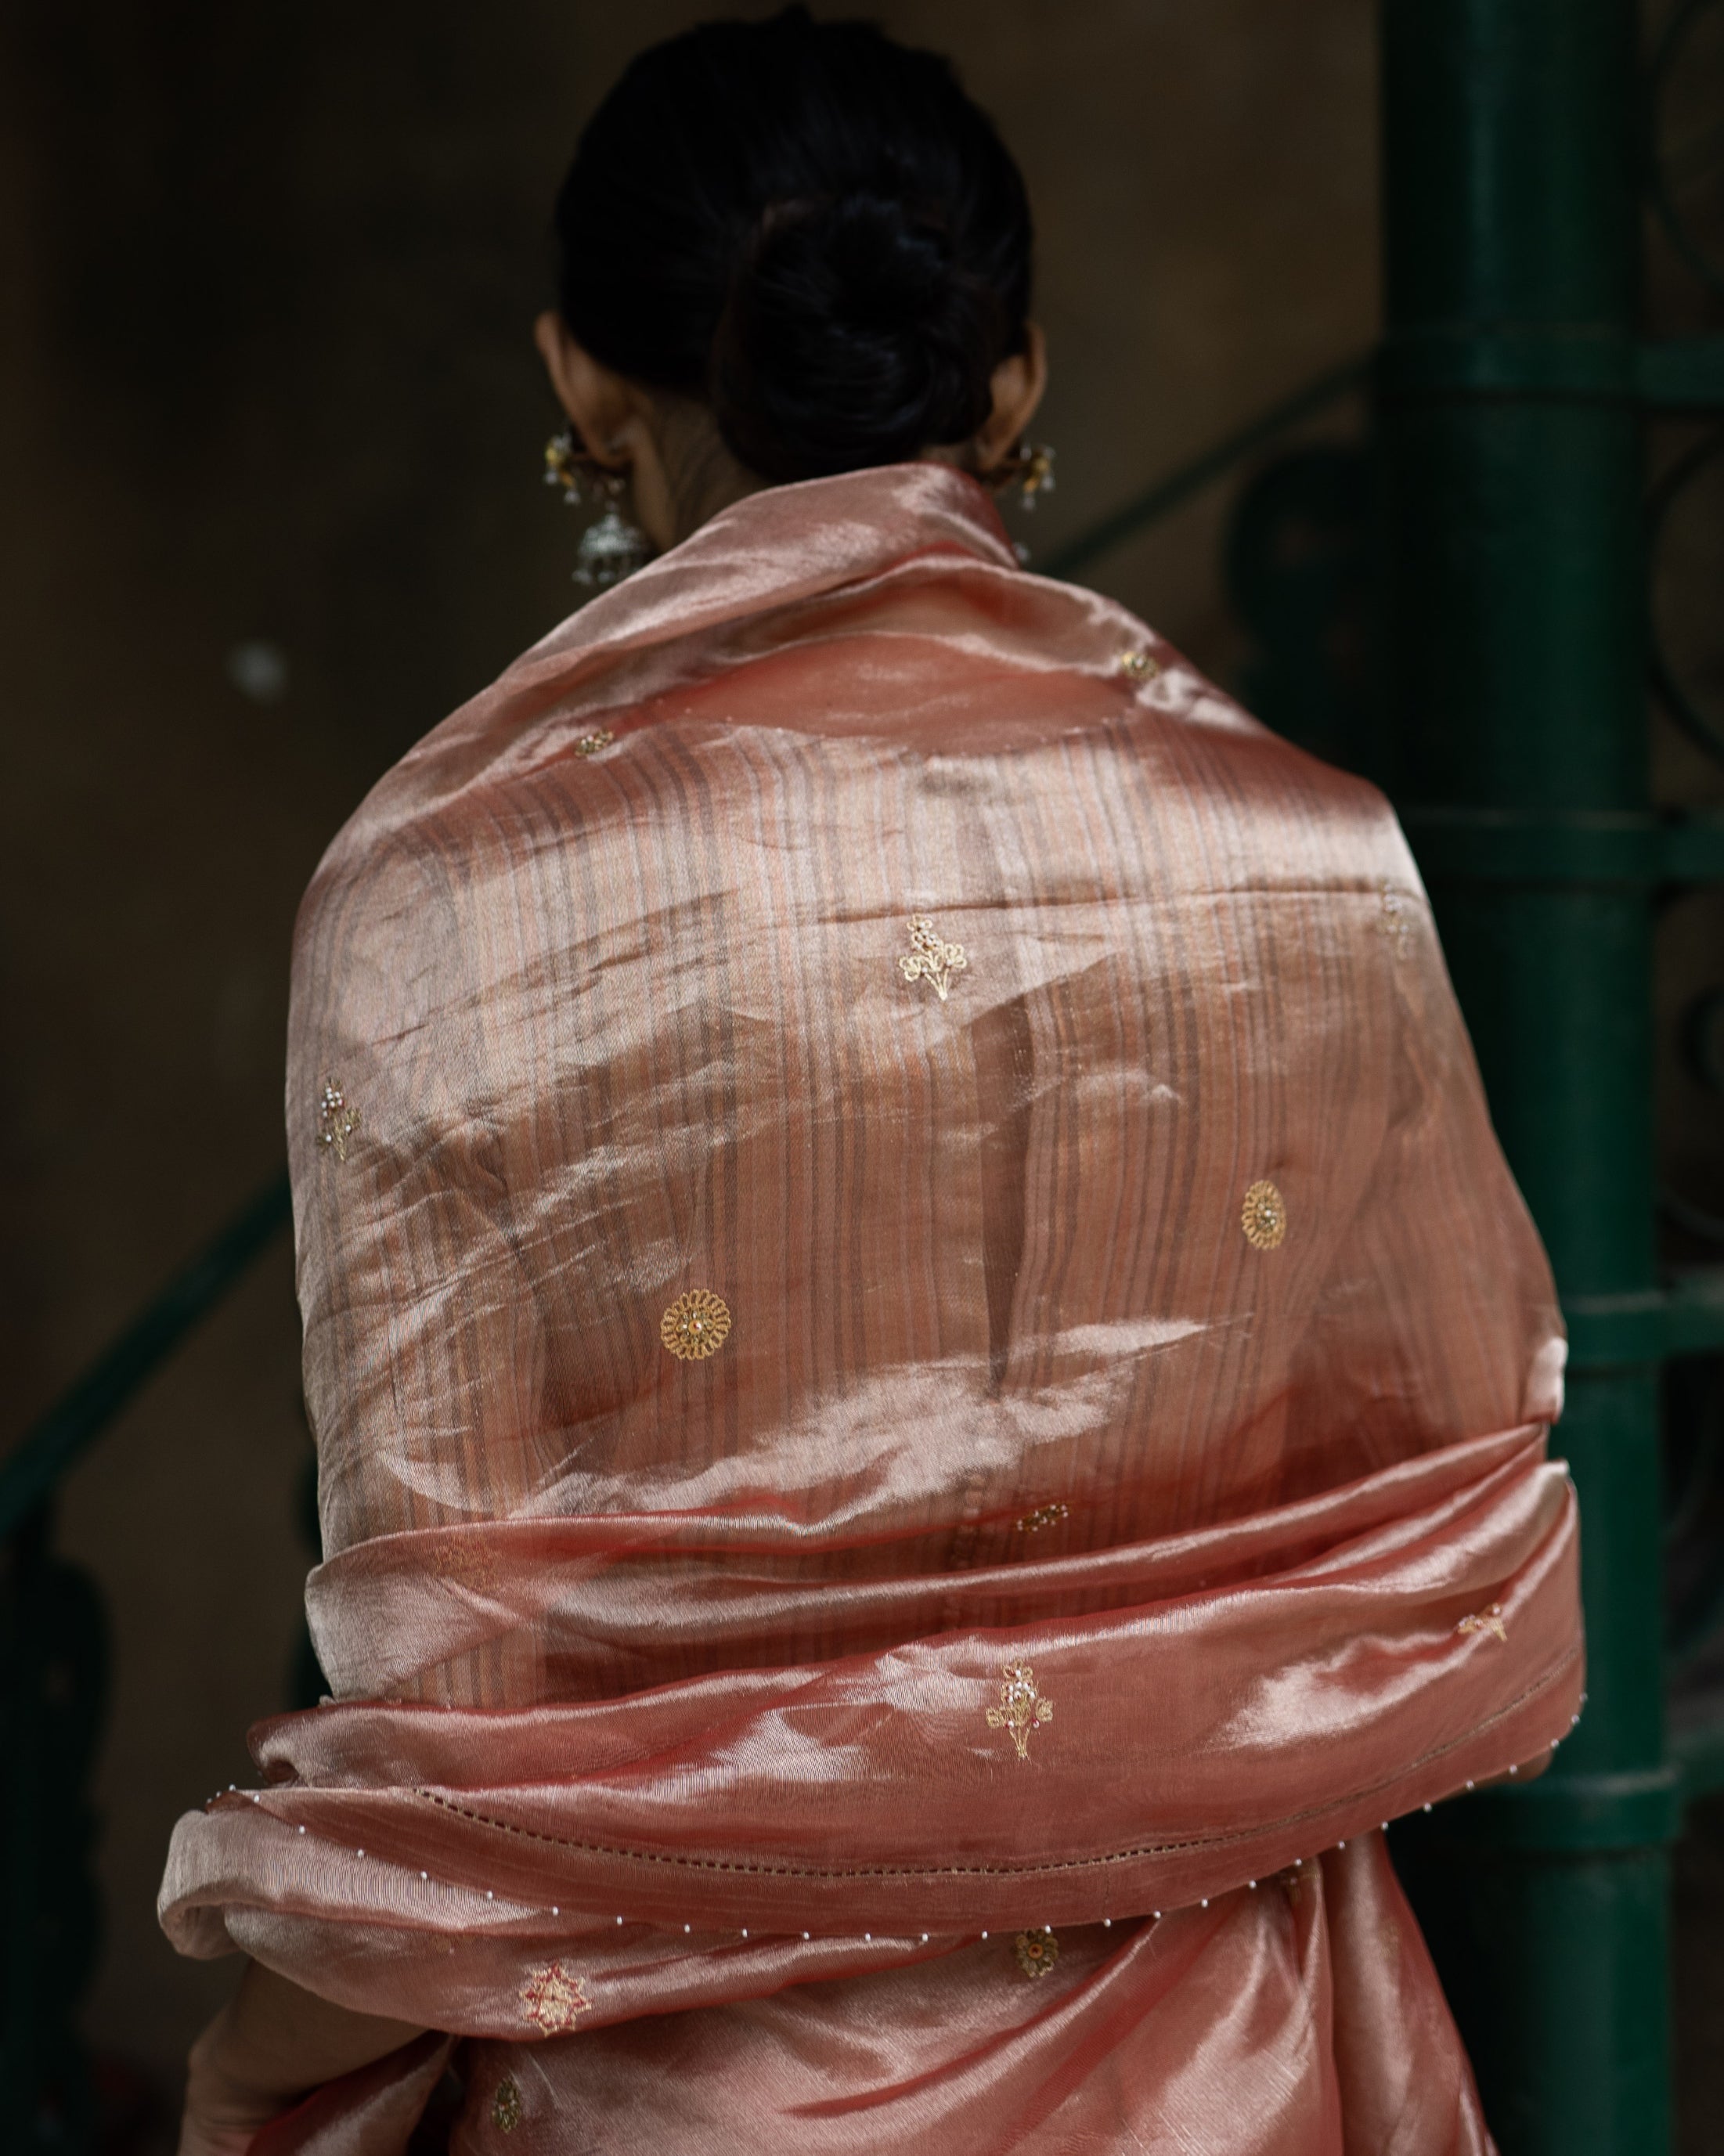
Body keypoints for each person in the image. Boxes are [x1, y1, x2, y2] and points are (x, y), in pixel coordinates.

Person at [160, 12, 1582, 2153]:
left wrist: (250, 2062)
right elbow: (1456, 1495)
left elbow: (452, 1716)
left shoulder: (444, 895)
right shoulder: (1308, 854)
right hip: (1240, 2070)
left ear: (575, 380)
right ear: (1009, 384)